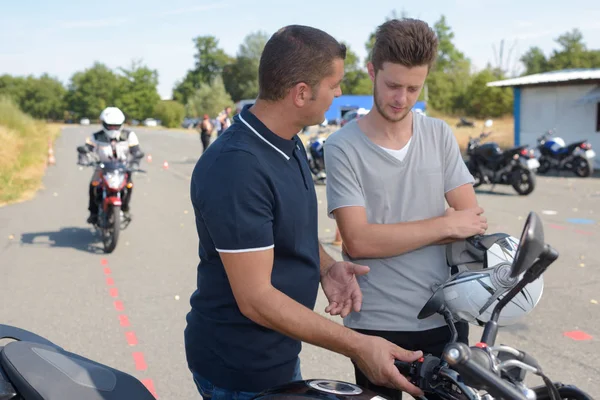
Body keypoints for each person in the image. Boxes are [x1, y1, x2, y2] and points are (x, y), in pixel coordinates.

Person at [184, 24, 424, 400]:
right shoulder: (237, 167)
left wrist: (327, 268)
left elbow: (285, 230)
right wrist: (358, 345)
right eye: (335, 84)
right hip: (238, 370)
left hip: (278, 355)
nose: (340, 93)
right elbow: (256, 299)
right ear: (301, 93)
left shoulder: (289, 142)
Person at [324, 18, 488, 400]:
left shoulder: (439, 134)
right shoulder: (342, 147)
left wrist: (451, 224)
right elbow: (360, 240)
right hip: (375, 323)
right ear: (371, 72)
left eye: (413, 88)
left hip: (444, 318)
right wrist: (445, 225)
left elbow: (472, 221)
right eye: (393, 85)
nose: (402, 98)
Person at [78, 106, 144, 224]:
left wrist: (135, 163)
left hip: (123, 168)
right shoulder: (96, 136)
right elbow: (87, 148)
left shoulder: (129, 136)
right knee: (93, 185)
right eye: (110, 125)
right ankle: (93, 212)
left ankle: (125, 208)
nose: (113, 128)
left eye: (116, 125)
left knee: (129, 186)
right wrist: (83, 157)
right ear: (103, 123)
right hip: (102, 167)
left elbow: (136, 151)